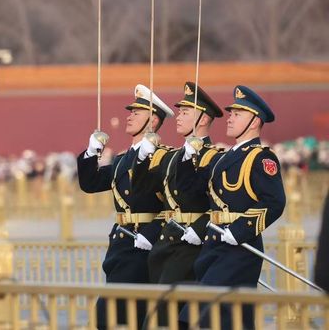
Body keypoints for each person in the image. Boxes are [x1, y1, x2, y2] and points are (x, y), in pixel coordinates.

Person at [185, 85, 286, 329]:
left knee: (204, 315)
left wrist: (240, 230)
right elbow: (192, 191)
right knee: (229, 319)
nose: (229, 119)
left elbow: (275, 202)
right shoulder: (223, 157)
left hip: (240, 248)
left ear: (254, 121)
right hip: (214, 245)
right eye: (231, 114)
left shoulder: (261, 158)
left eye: (237, 114)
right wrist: (187, 159)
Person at [78, 84, 173, 329]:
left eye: (137, 113)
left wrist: (151, 233)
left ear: (153, 120)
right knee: (116, 317)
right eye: (130, 112)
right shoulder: (123, 158)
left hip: (144, 245)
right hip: (121, 245)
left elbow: (173, 203)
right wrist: (91, 153)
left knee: (116, 316)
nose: (129, 116)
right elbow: (90, 183)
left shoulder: (163, 157)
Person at [136, 82, 224, 327]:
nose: (179, 116)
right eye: (180, 111)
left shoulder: (214, 157)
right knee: (167, 318)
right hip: (165, 245)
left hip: (191, 246)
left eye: (186, 112)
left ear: (203, 119)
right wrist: (141, 158)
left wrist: (201, 227)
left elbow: (220, 205)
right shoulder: (172, 156)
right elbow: (142, 192)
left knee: (160, 319)